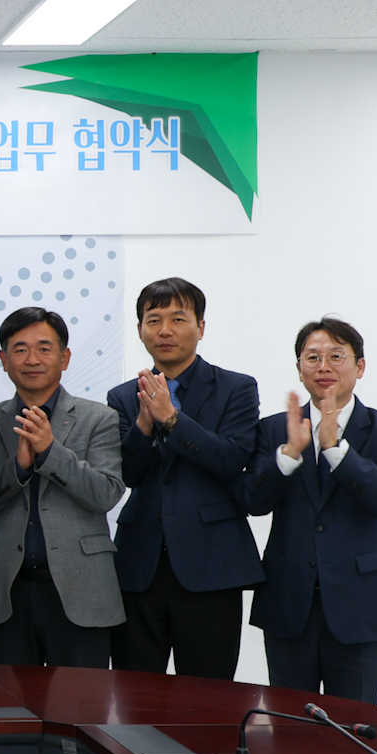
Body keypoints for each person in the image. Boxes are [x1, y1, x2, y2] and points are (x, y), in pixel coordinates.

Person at [243, 318, 377, 704]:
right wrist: (288, 455)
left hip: (361, 602)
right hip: (289, 598)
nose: (324, 367)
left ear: (360, 366)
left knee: (355, 723)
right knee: (290, 723)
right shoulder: (272, 430)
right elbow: (252, 501)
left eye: (336, 356)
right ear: (299, 368)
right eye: (313, 357)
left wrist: (338, 451)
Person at [106, 278, 263, 679]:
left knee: (208, 696)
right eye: (153, 320)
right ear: (140, 329)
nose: (165, 330)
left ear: (201, 327)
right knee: (135, 693)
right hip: (139, 564)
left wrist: (172, 420)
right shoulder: (123, 396)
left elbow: (231, 460)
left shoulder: (236, 388)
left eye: (178, 319)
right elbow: (128, 474)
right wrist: (143, 425)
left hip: (211, 563)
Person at [0, 307, 125, 668]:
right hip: (8, 590)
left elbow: (106, 493)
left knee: (82, 700)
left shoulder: (99, 418)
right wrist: (17, 468)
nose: (32, 359)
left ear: (64, 358)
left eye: (44, 348)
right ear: (4, 360)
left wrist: (51, 452)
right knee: (10, 699)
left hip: (81, 589)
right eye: (20, 349)